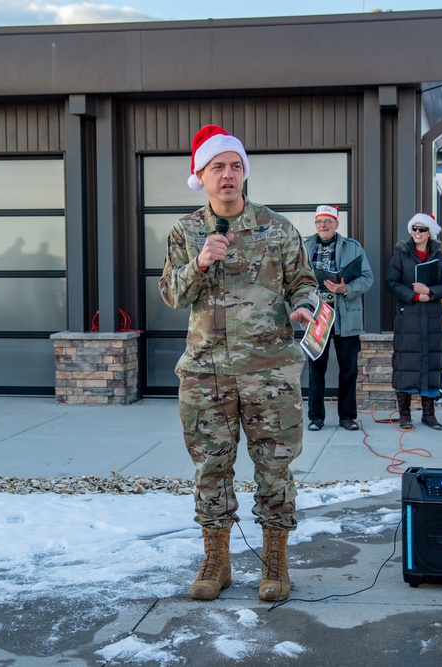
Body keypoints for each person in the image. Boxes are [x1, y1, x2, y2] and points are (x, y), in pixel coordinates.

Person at [159, 124, 318, 602]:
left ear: (244, 173)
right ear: (201, 176)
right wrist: (200, 263)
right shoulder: (186, 232)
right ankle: (216, 562)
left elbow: (304, 282)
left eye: (235, 166)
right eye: (217, 167)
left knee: (275, 468)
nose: (228, 175)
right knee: (211, 468)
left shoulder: (278, 228)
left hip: (270, 370)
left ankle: (275, 563)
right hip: (206, 372)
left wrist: (305, 306)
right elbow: (170, 293)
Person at [304, 205, 374, 432]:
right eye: (318, 222)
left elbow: (367, 278)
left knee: (348, 369)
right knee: (316, 369)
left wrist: (347, 288)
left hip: (345, 316)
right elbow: (293, 277)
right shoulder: (304, 247)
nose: (322, 226)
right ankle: (316, 417)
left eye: (327, 221)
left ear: (336, 224)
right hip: (318, 316)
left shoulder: (353, 248)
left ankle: (347, 417)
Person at [385, 213, 442, 430]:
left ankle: (429, 414)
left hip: (432, 320)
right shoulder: (401, 254)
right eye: (414, 228)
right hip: (409, 318)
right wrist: (415, 296)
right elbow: (391, 282)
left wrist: (430, 291)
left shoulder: (439, 258)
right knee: (406, 364)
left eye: (422, 229)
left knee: (431, 364)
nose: (417, 233)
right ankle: (405, 414)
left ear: (430, 233)